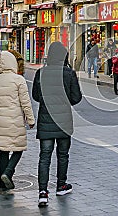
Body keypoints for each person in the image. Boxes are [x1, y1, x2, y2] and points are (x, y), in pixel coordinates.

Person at [32, 42, 82, 207]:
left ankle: (43, 192)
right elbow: (76, 98)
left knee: (44, 157)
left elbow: (36, 96)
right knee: (63, 155)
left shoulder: (41, 73)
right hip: (64, 122)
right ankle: (61, 185)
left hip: (45, 121)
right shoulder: (69, 74)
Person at [0, 51, 35, 193]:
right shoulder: (19, 80)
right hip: (15, 119)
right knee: (18, 149)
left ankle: (1, 183)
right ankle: (8, 173)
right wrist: (30, 119)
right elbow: (25, 102)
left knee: (3, 152)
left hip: (0, 119)